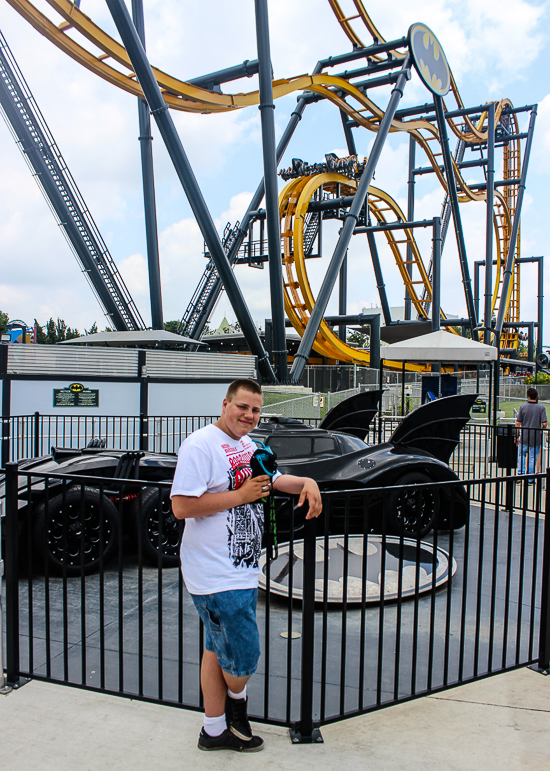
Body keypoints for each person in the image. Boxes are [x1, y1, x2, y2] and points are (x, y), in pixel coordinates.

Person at [170, 378, 322, 752]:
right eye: (243, 407)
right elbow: (181, 506)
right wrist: (239, 495)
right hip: (216, 573)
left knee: (215, 649)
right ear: (225, 405)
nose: (249, 415)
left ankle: (214, 729)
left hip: (240, 566)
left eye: (255, 409)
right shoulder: (200, 445)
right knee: (242, 658)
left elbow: (271, 479)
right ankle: (237, 708)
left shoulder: (247, 445)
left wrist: (306, 481)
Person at [515, 387, 547, 481]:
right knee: (532, 456)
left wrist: (517, 435)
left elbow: (518, 423)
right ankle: (530, 478)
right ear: (536, 396)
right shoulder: (541, 408)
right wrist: (542, 429)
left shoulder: (522, 407)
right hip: (536, 436)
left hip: (525, 435)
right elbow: (544, 423)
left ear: (528, 396)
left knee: (521, 455)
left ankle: (520, 474)